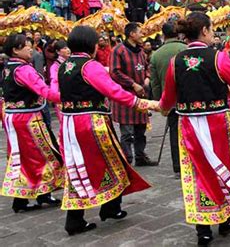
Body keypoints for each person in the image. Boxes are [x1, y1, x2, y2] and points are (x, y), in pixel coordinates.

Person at [157, 12, 230, 246]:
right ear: (204, 31)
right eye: (211, 30)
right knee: (222, 168)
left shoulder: (176, 62)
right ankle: (224, 220)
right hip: (217, 124)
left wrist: (159, 107)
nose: (213, 34)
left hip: (189, 125)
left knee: (197, 173)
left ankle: (203, 230)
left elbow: (168, 99)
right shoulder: (218, 58)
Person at [57, 26, 155, 236]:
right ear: (90, 45)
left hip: (69, 123)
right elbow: (112, 91)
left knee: (77, 168)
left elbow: (59, 94)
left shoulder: (65, 65)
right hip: (90, 123)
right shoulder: (89, 66)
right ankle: (107, 208)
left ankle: (96, 211)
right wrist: (143, 103)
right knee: (113, 161)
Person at [1, 34, 63, 213]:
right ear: (15, 49)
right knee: (43, 154)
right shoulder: (23, 70)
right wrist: (67, 98)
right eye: (27, 46)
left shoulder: (9, 67)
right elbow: (43, 90)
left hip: (14, 118)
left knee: (21, 157)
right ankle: (43, 192)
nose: (30, 49)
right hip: (27, 119)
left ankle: (23, 198)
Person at [110, 22, 157, 166]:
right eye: (139, 32)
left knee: (140, 130)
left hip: (141, 95)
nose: (142, 35)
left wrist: (147, 77)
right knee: (127, 132)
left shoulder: (141, 51)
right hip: (125, 96)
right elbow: (115, 72)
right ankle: (127, 159)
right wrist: (133, 84)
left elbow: (146, 67)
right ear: (132, 34)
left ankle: (140, 157)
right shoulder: (118, 50)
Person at [149, 21, 187, 178]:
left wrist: (161, 102)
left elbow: (155, 83)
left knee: (174, 132)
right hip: (190, 99)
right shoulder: (186, 49)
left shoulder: (156, 54)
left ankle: (178, 166)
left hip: (170, 101)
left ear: (163, 34)